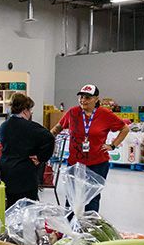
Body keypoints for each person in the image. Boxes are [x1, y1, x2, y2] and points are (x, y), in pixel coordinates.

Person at [51, 84, 130, 213]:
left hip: (97, 163)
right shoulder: (73, 113)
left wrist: (113, 145)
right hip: (74, 162)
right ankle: (69, 226)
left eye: (87, 97)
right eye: (81, 97)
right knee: (71, 196)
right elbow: (58, 127)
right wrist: (47, 138)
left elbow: (124, 128)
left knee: (92, 198)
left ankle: (89, 226)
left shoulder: (105, 114)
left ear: (96, 99)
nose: (83, 100)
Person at [0, 93, 55, 207]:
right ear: (25, 110)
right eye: (30, 110)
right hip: (25, 174)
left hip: (7, 171)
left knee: (11, 206)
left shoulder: (4, 126)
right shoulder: (32, 127)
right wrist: (40, 157)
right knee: (28, 208)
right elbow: (49, 138)